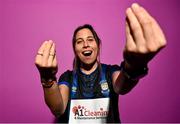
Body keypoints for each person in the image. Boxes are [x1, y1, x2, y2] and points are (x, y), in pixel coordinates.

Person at [35, 3, 166, 123]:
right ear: (74, 49)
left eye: (90, 39)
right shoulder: (68, 78)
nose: (86, 44)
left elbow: (122, 86)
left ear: (98, 45)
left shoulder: (110, 72)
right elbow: (58, 109)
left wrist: (134, 66)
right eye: (79, 41)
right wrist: (47, 78)